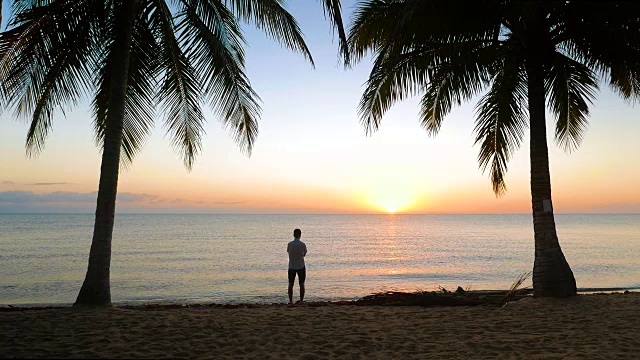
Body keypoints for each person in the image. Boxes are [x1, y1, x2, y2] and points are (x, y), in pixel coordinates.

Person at [287, 228, 307, 304]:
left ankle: (291, 301)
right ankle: (301, 300)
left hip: (292, 266)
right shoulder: (302, 244)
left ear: (293, 235)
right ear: (300, 235)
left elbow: (288, 251)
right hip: (301, 265)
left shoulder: (290, 244)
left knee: (290, 283)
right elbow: (304, 254)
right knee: (301, 283)